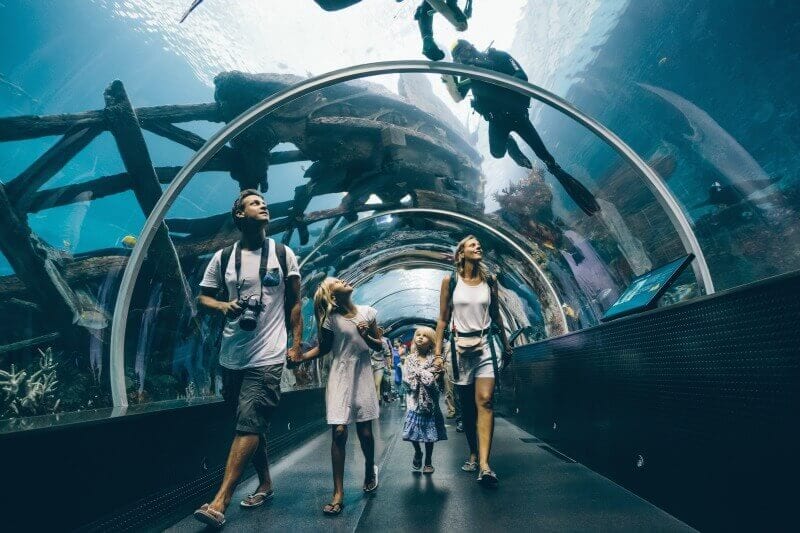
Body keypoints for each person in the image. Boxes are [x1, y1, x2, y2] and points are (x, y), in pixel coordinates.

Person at [193, 189, 302, 528]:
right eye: (254, 203)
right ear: (239, 215)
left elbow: (296, 303)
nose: (263, 205)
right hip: (232, 356)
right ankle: (266, 483)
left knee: (249, 423)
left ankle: (220, 500)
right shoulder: (224, 258)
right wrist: (224, 305)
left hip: (268, 355)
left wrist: (295, 345)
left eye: (263, 202)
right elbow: (203, 298)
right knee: (250, 425)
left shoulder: (283, 254)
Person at [445, 39, 600, 217]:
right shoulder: (466, 74)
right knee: (497, 153)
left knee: (547, 158)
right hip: (497, 121)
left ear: (472, 46)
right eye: (458, 57)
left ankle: (572, 188)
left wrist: (498, 80)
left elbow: (521, 76)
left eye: (464, 51)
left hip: (518, 116)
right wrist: (449, 76)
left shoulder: (497, 57)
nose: (464, 57)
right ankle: (510, 144)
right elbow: (457, 95)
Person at [296, 277, 383, 516]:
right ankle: (338, 492)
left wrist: (367, 336)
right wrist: (301, 358)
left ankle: (368, 468)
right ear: (333, 297)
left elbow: (379, 346)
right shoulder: (331, 321)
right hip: (340, 375)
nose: (343, 280)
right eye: (337, 282)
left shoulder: (368, 313)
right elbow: (324, 349)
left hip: (362, 374)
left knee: (365, 433)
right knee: (340, 431)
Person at [434, 235, 512, 487]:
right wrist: (437, 353)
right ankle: (473, 452)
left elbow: (496, 314)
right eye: (471, 245)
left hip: (486, 346)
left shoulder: (490, 280)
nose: (478, 246)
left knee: (485, 402)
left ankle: (486, 465)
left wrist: (507, 343)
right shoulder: (451, 280)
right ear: (461, 254)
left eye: (479, 244)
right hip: (459, 350)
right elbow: (443, 319)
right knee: (467, 410)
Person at [402, 326, 448, 474]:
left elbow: (437, 381)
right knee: (412, 431)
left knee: (429, 433)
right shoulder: (409, 359)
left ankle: (428, 460)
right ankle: (417, 452)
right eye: (418, 335)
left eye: (425, 336)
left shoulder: (435, 361)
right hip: (414, 400)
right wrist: (423, 376)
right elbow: (407, 378)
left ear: (432, 342)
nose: (420, 337)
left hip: (430, 403)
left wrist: (436, 376)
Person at [370, 329, 390, 404]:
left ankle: (377, 402)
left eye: (379, 332)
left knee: (377, 384)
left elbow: (387, 355)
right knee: (370, 384)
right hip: (369, 364)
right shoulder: (368, 340)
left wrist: (388, 366)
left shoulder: (383, 343)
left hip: (379, 364)